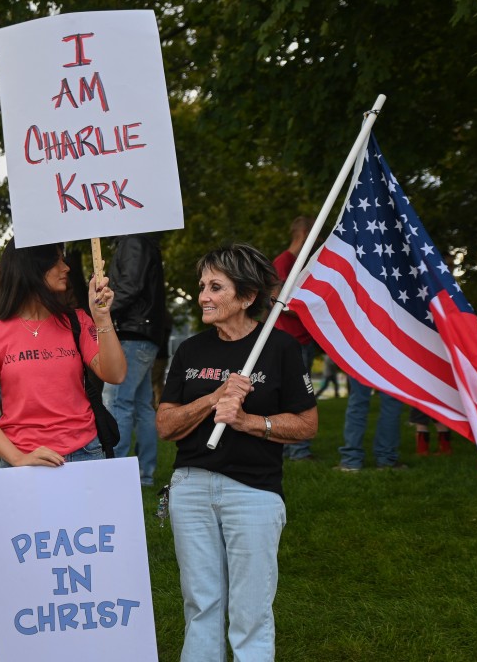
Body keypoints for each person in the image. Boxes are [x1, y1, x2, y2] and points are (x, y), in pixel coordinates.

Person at [156, 243, 317, 661]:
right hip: (190, 488)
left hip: (255, 492)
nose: (203, 296)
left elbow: (307, 423)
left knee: (250, 611)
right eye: (202, 286)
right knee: (201, 605)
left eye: (215, 287)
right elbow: (165, 425)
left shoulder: (279, 347)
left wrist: (249, 422)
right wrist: (214, 398)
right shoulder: (191, 350)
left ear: (246, 297)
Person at [0, 240, 126, 467]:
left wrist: (102, 318)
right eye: (57, 260)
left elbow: (116, 374)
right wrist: (18, 458)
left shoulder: (77, 321)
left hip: (85, 453)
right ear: (33, 267)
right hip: (21, 460)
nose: (66, 267)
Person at [103, 233, 168, 487]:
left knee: (118, 401)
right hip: (144, 332)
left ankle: (117, 475)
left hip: (133, 332)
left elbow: (130, 285)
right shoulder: (141, 241)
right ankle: (144, 474)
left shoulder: (133, 241)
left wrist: (99, 311)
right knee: (141, 405)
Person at [273, 215, 319, 461]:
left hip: (301, 338)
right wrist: (312, 310)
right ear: (303, 234)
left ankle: (291, 448)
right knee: (299, 394)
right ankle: (298, 450)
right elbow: (277, 302)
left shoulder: (297, 263)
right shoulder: (284, 262)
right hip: (291, 339)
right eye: (314, 236)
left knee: (293, 394)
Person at [336, 376, 405, 471]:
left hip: (361, 361)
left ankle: (351, 461)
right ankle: (386, 459)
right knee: (391, 403)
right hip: (393, 362)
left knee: (357, 401)